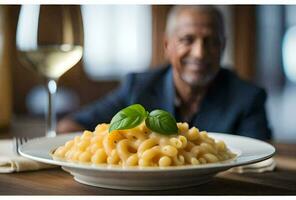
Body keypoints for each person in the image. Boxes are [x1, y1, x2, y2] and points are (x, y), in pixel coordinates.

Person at [57, 5, 272, 140]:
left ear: (223, 47)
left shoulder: (248, 98)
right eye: (187, 40)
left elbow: (259, 162)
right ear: (168, 46)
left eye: (211, 42)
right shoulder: (138, 87)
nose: (199, 53)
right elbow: (70, 126)